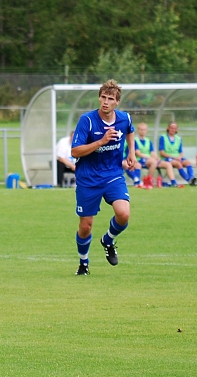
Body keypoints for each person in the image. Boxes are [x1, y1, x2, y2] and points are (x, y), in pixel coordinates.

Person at [71, 80, 136, 276]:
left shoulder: (124, 118)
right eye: (103, 97)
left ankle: (108, 240)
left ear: (117, 102)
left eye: (110, 99)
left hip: (113, 175)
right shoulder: (87, 120)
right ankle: (83, 263)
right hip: (88, 178)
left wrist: (131, 153)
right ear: (99, 98)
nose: (106, 102)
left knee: (124, 214)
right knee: (85, 226)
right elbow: (75, 151)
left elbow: (130, 131)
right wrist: (101, 141)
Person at [124, 122, 177, 188]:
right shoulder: (135, 140)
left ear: (147, 130)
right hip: (140, 160)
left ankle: (173, 182)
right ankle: (148, 181)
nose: (143, 131)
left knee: (168, 164)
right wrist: (150, 158)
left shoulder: (148, 141)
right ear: (138, 130)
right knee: (153, 162)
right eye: (141, 129)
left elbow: (152, 152)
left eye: (144, 130)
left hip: (149, 160)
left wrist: (156, 157)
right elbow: (138, 153)